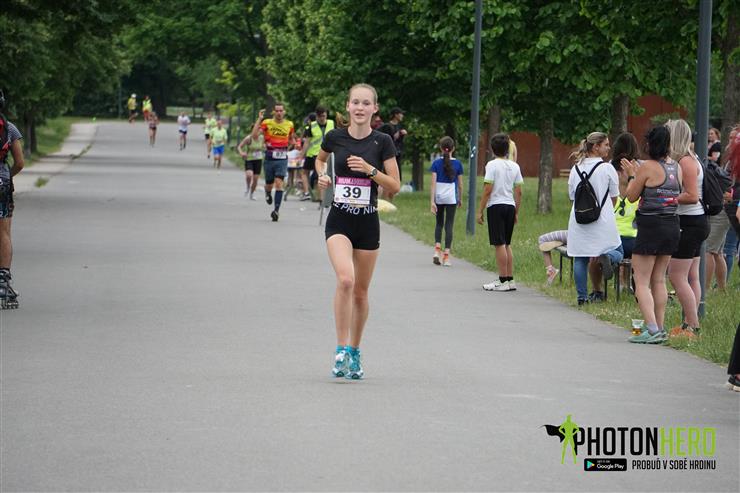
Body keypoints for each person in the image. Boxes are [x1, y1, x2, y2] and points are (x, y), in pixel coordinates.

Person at [315, 83, 400, 380]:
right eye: (355, 102)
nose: (360, 108)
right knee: (346, 280)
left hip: (367, 223)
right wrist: (323, 177)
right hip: (339, 220)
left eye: (366, 103)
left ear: (375, 108)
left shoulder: (382, 141)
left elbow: (395, 185)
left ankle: (354, 350)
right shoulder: (335, 137)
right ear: (347, 106)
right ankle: (340, 349)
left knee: (361, 293)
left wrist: (370, 170)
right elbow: (320, 160)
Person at [621, 126, 681, 344]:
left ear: (650, 144)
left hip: (651, 226)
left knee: (641, 280)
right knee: (659, 279)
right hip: (672, 224)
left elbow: (630, 196)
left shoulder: (648, 167)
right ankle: (660, 327)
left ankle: (652, 328)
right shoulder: (676, 167)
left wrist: (631, 175)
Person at [565, 132, 623, 305]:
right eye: (606, 144)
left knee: (580, 258)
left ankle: (582, 298)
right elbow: (614, 197)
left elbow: (572, 197)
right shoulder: (607, 168)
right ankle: (607, 258)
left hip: (579, 220)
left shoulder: (575, 169)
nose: (609, 148)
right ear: (596, 147)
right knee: (618, 251)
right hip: (602, 221)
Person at [665, 119, 709, 338]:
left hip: (689, 223)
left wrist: (667, 198)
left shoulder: (685, 162)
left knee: (676, 276)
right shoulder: (693, 158)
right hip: (696, 222)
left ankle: (692, 324)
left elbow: (692, 196)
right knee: (691, 276)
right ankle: (689, 324)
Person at [478, 133, 523, 291]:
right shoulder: (515, 166)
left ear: (492, 149)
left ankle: (502, 280)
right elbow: (519, 192)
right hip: (510, 205)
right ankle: (510, 279)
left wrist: (480, 210)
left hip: (496, 206)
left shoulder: (492, 165)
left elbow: (488, 189)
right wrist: (516, 211)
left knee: (499, 244)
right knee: (507, 244)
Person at [251, 103, 295, 222]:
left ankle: (276, 211)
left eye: (281, 111)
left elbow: (291, 138)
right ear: (274, 112)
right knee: (269, 184)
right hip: (269, 158)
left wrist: (292, 144)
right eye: (277, 111)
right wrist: (259, 119)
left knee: (279, 183)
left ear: (284, 112)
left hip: (282, 159)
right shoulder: (267, 123)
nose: (279, 113)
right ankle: (268, 192)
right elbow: (254, 136)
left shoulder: (289, 124)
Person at [0, 97, 25, 309]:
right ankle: (2, 283)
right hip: (1, 184)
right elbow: (19, 162)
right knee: (4, 232)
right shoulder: (9, 128)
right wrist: (8, 176)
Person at [610, 133, 640, 295]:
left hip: (612, 236)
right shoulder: (640, 171)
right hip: (635, 236)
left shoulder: (609, 169)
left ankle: (620, 282)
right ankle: (636, 285)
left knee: (615, 252)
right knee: (639, 255)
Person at [429, 136, 463, 266]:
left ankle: (437, 250)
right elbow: (460, 185)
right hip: (451, 198)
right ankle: (447, 256)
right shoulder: (458, 164)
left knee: (439, 223)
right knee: (449, 225)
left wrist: (432, 202)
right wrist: (460, 198)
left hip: (439, 196)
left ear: (441, 148)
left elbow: (433, 184)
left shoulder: (436, 163)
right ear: (453, 148)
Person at [301, 106, 334, 201]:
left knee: (320, 176)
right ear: (317, 116)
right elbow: (307, 142)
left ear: (326, 115)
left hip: (327, 154)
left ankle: (321, 199)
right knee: (304, 172)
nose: (322, 118)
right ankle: (307, 192)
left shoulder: (331, 123)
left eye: (324, 116)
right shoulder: (312, 125)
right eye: (320, 116)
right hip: (312, 154)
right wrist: (301, 155)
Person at [378, 107, 407, 183]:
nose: (402, 116)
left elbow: (399, 141)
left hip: (397, 153)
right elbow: (390, 139)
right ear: (396, 115)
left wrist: (402, 135)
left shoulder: (400, 126)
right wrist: (399, 133)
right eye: (401, 114)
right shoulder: (387, 126)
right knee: (388, 173)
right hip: (389, 154)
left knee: (397, 173)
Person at [237, 131, 265, 199]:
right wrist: (242, 153)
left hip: (258, 160)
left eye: (259, 131)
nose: (258, 132)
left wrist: (264, 147)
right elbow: (239, 147)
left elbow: (265, 146)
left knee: (255, 179)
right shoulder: (248, 138)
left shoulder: (262, 138)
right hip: (249, 159)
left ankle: (252, 194)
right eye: (256, 131)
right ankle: (248, 186)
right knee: (249, 175)